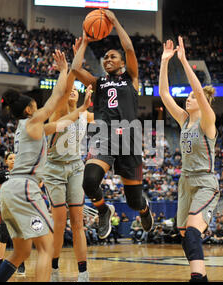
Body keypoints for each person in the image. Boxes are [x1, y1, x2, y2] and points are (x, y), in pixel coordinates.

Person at [71, 9, 153, 241]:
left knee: (134, 201)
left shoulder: (131, 78)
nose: (108, 59)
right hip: (103, 136)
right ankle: (103, 210)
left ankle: (145, 209)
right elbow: (76, 70)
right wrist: (85, 42)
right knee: (88, 181)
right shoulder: (98, 83)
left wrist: (115, 21)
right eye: (105, 57)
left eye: (112, 57)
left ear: (122, 63)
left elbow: (129, 49)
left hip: (130, 138)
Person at [0, 49, 71, 282]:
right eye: (37, 106)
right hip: (24, 188)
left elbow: (59, 124)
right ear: (28, 110)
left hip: (9, 191)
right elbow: (55, 98)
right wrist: (64, 71)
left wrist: (83, 110)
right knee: (46, 246)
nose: (40, 110)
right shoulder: (33, 121)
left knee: (21, 252)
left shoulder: (25, 128)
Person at [159, 37, 220, 282]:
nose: (189, 98)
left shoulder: (207, 121)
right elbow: (164, 93)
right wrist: (164, 63)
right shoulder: (184, 119)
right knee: (184, 233)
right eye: (188, 97)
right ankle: (200, 276)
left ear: (202, 102)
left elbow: (198, 91)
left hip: (205, 182)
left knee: (193, 231)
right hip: (185, 182)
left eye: (193, 97)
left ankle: (198, 278)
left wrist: (184, 61)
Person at [43, 39, 94, 282]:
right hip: (54, 169)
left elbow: (107, 115)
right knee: (60, 224)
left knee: (78, 223)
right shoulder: (60, 110)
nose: (72, 90)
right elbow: (66, 88)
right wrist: (71, 67)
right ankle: (54, 269)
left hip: (75, 167)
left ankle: (83, 273)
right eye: (70, 89)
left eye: (76, 88)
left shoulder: (86, 113)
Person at [0, 152, 26, 275]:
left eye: (15, 158)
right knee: (3, 236)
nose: (13, 160)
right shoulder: (2, 174)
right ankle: (0, 262)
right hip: (5, 208)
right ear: (6, 161)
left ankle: (21, 262)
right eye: (10, 158)